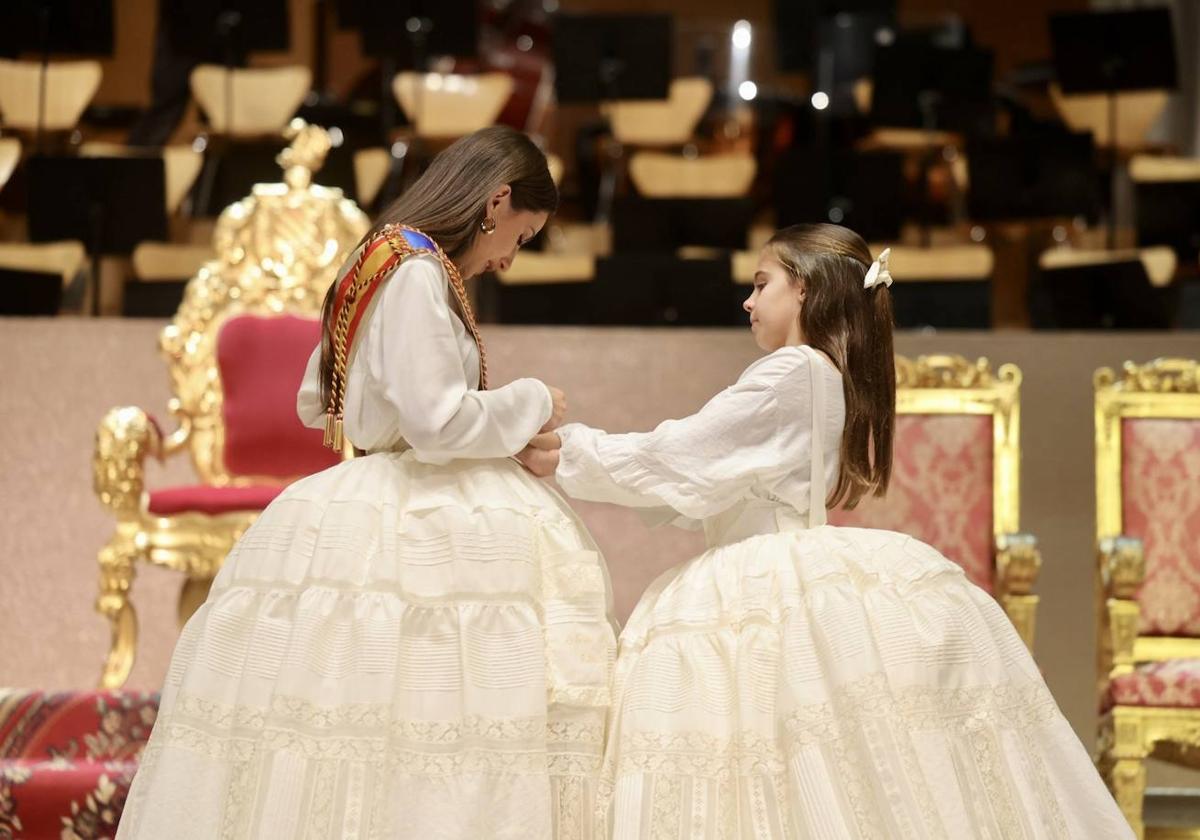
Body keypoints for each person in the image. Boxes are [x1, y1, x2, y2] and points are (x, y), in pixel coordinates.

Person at [520, 223, 1132, 839]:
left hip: (764, 572)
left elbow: (682, 455)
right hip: (778, 560)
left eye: (762, 284)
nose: (748, 301)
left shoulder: (794, 370)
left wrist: (564, 450)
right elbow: (708, 477)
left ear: (805, 290)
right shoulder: (820, 372)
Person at [118, 126, 615, 840]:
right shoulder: (418, 270)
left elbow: (313, 399)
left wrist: (393, 402)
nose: (509, 258)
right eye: (522, 234)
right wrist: (532, 399)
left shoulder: (379, 259)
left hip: (356, 496)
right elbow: (437, 423)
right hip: (418, 505)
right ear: (496, 200)